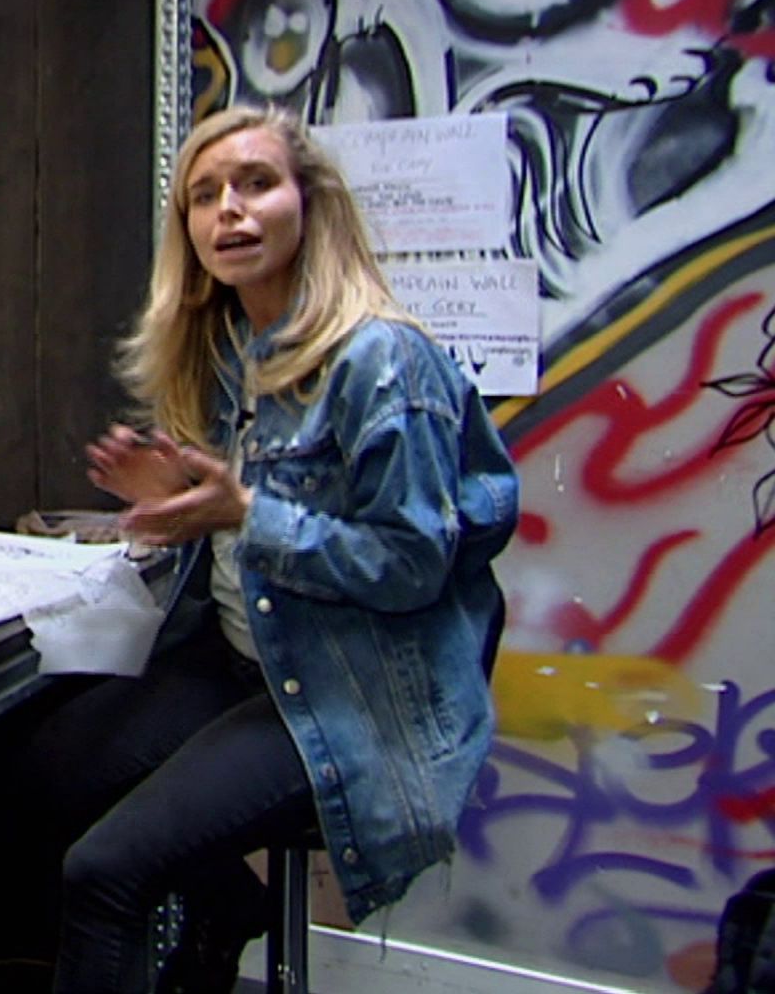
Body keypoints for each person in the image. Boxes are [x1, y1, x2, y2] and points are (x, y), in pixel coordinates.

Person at [26, 105, 518, 992]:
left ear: (309, 203)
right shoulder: (227, 354)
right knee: (34, 773)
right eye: (205, 195)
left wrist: (244, 512)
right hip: (243, 664)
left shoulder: (383, 360)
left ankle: (215, 926)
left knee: (104, 873)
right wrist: (179, 505)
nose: (230, 210)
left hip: (344, 694)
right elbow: (233, 523)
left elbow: (411, 566)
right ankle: (228, 917)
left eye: (256, 184)